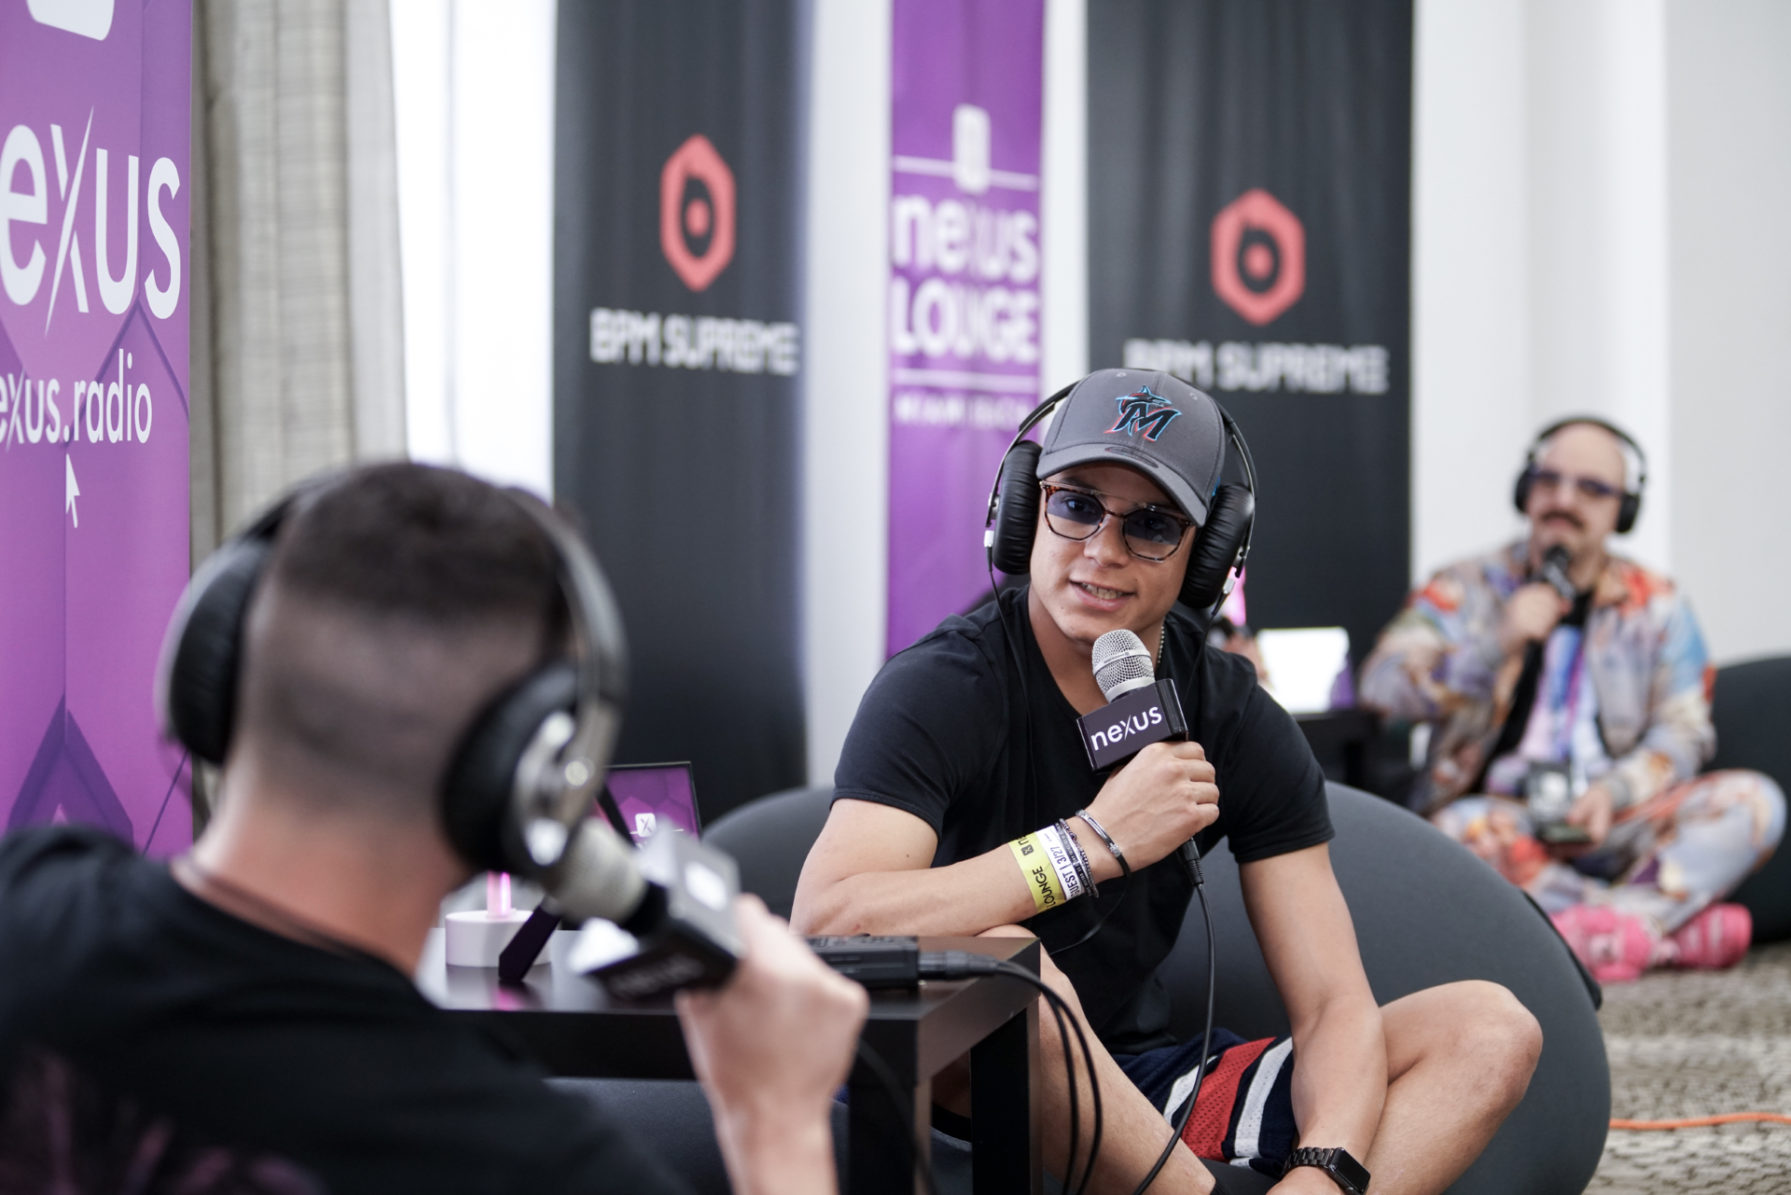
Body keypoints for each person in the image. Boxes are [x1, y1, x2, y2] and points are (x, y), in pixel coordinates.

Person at [0, 463, 867, 1194]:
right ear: (526, 774)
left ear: (212, 667)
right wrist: (779, 1126)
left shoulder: (21, 892)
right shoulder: (532, 1162)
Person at [793, 369, 1541, 1194]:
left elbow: (1332, 1004)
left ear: (1208, 557)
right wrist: (1086, 845)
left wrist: (1325, 1168)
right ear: (1023, 509)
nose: (1101, 550)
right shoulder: (942, 685)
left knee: (1488, 1029)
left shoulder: (1231, 713)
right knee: (1012, 974)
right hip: (955, 1094)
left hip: (1147, 1090)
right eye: (1076, 504)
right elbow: (831, 919)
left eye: (1151, 525)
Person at [1359, 417, 1786, 983]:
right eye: (1549, 480)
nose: (1563, 500)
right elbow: (1380, 685)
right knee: (1457, 834)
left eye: (1591, 488)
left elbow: (1683, 732)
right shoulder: (1465, 586)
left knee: (1754, 803)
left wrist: (1614, 793)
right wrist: (1495, 644)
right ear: (1525, 489)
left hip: (1614, 815)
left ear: (1622, 511)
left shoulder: (1659, 605)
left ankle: (1579, 934)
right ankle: (1657, 934)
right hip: (1504, 817)